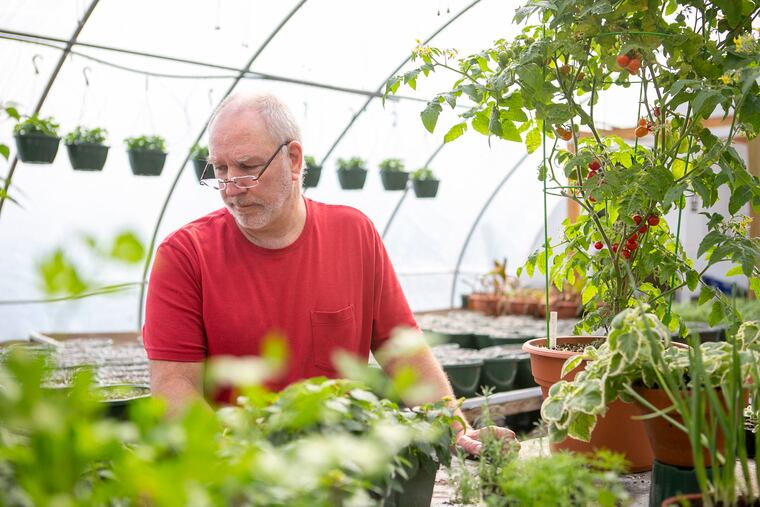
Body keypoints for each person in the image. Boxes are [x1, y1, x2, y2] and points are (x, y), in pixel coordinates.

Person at [142, 91, 516, 455]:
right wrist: (244, 468)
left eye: (248, 167)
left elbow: (404, 352)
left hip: (340, 474)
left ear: (293, 159)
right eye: (219, 169)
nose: (231, 189)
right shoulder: (185, 256)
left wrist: (457, 431)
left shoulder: (353, 234)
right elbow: (174, 387)